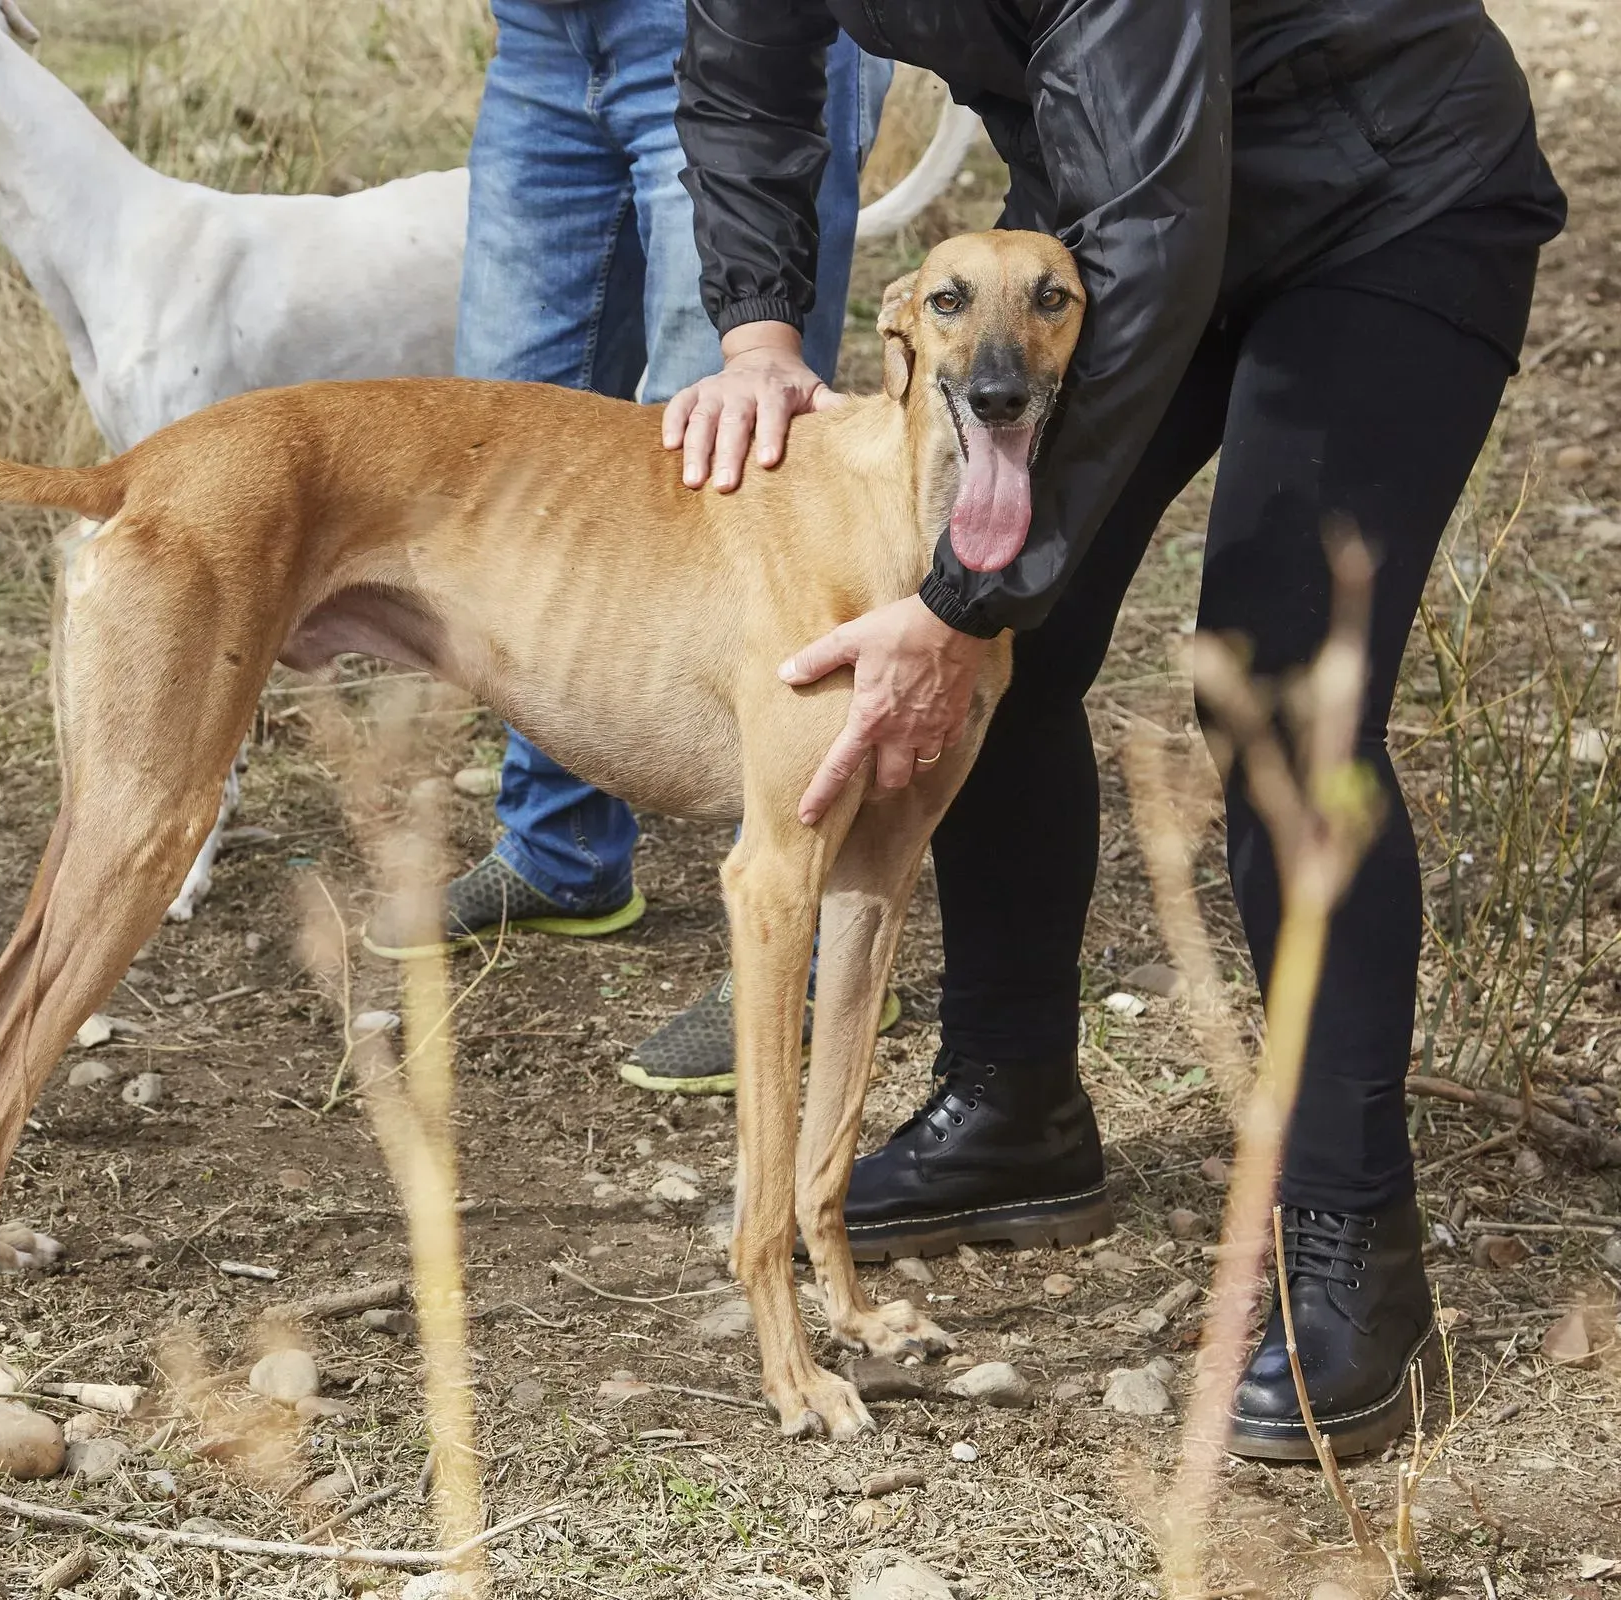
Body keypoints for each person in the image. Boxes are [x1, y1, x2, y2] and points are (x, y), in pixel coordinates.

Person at [660, 0, 1563, 1461]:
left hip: (1386, 195)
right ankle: (1014, 1108)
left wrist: (958, 600)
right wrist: (761, 328)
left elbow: (1157, 231)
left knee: (1271, 682)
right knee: (1006, 630)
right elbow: (744, 70)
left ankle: (1357, 1254)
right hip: (1120, 206)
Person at [367, 0, 891, 1095]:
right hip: (546, 39)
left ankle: (792, 938)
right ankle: (560, 853)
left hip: (729, 32)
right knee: (508, 477)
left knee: (720, 467)